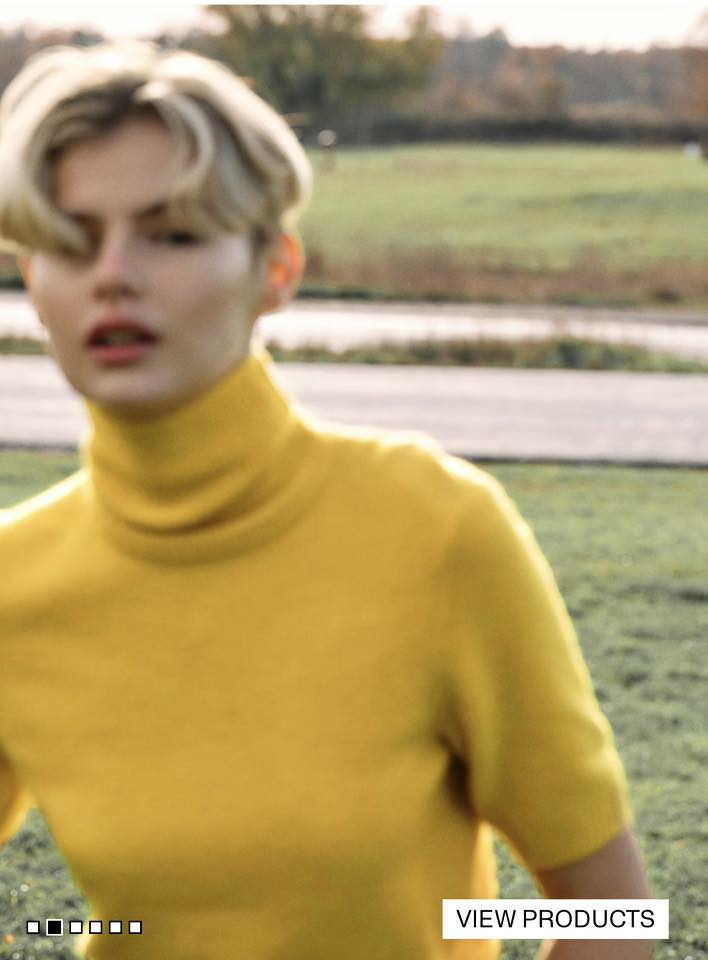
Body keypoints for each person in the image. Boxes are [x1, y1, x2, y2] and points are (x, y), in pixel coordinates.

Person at [0, 40, 651, 960]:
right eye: (72, 240)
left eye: (173, 234)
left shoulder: (436, 530)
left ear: (276, 268)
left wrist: (448, 922)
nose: (112, 273)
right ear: (34, 281)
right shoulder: (15, 584)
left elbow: (610, 912)